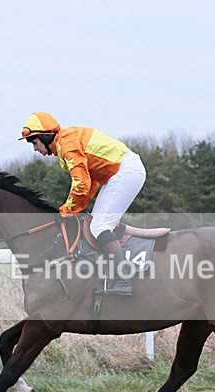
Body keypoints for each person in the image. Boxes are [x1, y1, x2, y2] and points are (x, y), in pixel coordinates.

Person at [19, 112, 146, 296]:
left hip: (125, 172)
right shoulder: (65, 142)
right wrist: (74, 209)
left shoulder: (67, 145)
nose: (34, 148)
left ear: (46, 136)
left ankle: (123, 280)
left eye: (34, 142)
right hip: (120, 173)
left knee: (100, 226)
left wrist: (65, 211)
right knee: (96, 224)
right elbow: (90, 183)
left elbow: (81, 184)